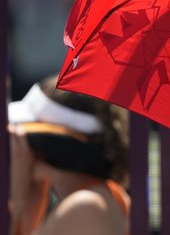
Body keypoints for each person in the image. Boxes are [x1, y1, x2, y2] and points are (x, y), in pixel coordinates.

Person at [8, 73, 130, 235]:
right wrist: (30, 205)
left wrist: (17, 201)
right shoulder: (104, 196)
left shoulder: (85, 207)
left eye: (26, 136)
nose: (19, 146)